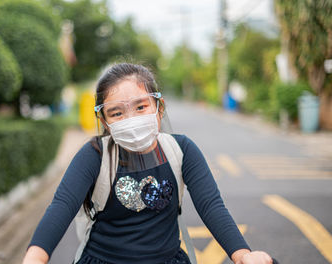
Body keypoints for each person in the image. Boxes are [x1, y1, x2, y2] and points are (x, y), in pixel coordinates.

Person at [22, 63, 273, 264]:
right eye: (117, 112)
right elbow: (60, 207)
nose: (130, 118)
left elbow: (211, 206)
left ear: (158, 107)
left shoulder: (181, 150)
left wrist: (242, 255)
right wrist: (34, 257)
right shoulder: (95, 155)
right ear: (106, 121)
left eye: (141, 106)